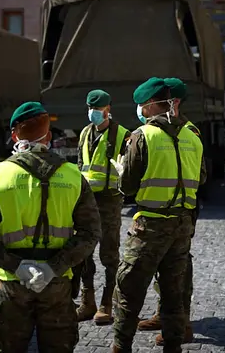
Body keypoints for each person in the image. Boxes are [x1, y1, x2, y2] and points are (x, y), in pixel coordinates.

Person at [0, 101, 101, 352]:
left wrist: (17, 265)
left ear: (14, 135)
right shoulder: (73, 176)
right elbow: (90, 232)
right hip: (58, 283)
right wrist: (53, 267)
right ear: (48, 136)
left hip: (13, 283)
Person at [111, 77, 206, 353]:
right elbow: (201, 178)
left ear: (151, 105)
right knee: (174, 290)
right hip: (182, 224)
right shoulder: (192, 135)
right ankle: (173, 345)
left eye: (142, 105)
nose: (140, 109)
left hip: (150, 225)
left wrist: (122, 173)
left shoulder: (143, 136)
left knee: (129, 288)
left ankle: (121, 345)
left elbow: (127, 187)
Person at [137, 78, 199, 345]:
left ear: (174, 102)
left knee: (179, 269)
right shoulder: (166, 129)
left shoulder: (187, 130)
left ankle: (181, 323)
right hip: (164, 211)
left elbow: (200, 174)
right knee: (166, 268)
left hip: (180, 211)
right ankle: (165, 314)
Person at [74, 89, 130, 324]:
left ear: (108, 109)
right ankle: (88, 301)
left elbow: (128, 169)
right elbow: (80, 165)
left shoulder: (123, 135)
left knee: (109, 253)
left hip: (109, 199)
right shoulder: (85, 133)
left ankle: (107, 303)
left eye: (97, 109)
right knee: (83, 251)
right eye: (90, 108)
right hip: (86, 199)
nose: (93, 113)